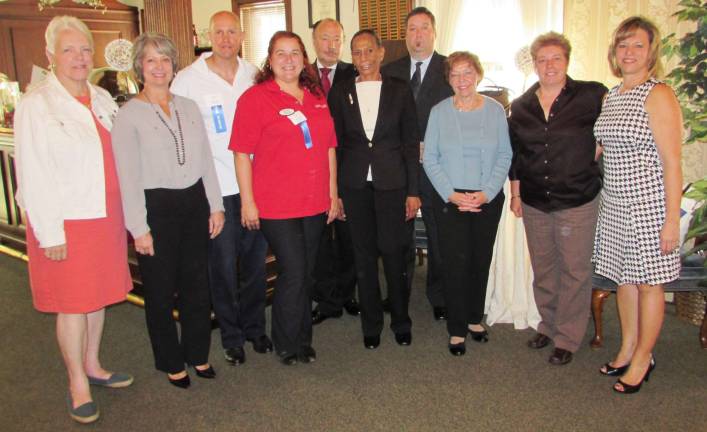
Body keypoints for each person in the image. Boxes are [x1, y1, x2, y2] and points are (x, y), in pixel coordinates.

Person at [14, 15, 133, 424]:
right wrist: (49, 233)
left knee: (96, 297)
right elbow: (31, 173)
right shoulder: (37, 104)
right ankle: (76, 383)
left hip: (105, 217)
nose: (79, 58)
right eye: (68, 50)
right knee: (72, 303)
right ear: (50, 56)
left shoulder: (100, 97)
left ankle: (94, 366)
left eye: (84, 49)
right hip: (67, 223)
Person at [112, 33, 225, 388]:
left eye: (164, 60)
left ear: (174, 65)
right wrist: (138, 227)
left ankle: (197, 353)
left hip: (194, 203)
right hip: (156, 208)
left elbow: (206, 160)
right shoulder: (128, 115)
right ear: (139, 68)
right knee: (160, 291)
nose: (159, 67)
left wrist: (216, 205)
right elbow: (127, 177)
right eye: (151, 60)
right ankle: (170, 360)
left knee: (197, 287)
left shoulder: (188, 106)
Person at [230, 31, 339, 366]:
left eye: (295, 53)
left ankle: (302, 340)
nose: (289, 60)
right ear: (270, 59)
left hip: (315, 201)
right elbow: (240, 153)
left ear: (304, 58)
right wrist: (248, 202)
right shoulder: (255, 98)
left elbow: (329, 148)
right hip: (276, 204)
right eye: (281, 53)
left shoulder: (316, 95)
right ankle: (285, 341)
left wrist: (333, 195)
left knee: (306, 273)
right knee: (293, 270)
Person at [171, 11, 272, 367]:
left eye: (232, 31)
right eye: (219, 32)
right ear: (207, 35)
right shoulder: (186, 79)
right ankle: (231, 337)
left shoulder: (255, 75)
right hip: (214, 191)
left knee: (256, 266)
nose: (226, 38)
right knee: (224, 268)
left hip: (255, 188)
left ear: (242, 35)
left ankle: (255, 328)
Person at [594, 16, 682, 394]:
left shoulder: (658, 93)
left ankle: (644, 357)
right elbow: (603, 146)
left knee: (649, 284)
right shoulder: (611, 95)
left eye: (637, 46)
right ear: (615, 52)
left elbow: (672, 161)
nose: (628, 52)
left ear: (651, 52)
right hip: (613, 203)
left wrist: (671, 222)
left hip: (648, 205)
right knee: (624, 281)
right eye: (623, 45)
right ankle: (628, 346)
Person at [508, 32, 607, 366]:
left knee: (574, 271)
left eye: (555, 58)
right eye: (542, 59)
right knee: (545, 268)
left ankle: (567, 337)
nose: (548, 65)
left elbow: (610, 131)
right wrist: (516, 194)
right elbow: (517, 155)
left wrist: (594, 153)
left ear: (567, 60)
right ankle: (548, 326)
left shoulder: (592, 94)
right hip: (536, 200)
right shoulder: (521, 106)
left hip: (577, 199)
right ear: (534, 63)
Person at [329, 29, 420, 349]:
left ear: (381, 53)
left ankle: (400, 320)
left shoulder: (399, 89)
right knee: (363, 256)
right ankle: (371, 324)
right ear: (351, 57)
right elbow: (334, 146)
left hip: (393, 184)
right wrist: (335, 193)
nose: (363, 58)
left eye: (369, 51)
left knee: (394, 254)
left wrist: (413, 190)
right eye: (356, 52)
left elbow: (411, 143)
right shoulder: (340, 92)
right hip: (354, 185)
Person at [423, 51, 512, 356]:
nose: (461, 80)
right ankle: (457, 327)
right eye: (455, 74)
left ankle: (475, 318)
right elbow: (430, 158)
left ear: (478, 74)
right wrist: (451, 193)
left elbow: (505, 155)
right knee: (454, 263)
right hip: (451, 198)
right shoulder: (438, 112)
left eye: (467, 73)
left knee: (479, 259)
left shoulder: (496, 110)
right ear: (448, 79)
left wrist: (486, 193)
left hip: (487, 198)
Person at [382, 7, 453, 321]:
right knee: (399, 236)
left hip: (438, 168)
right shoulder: (389, 70)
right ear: (405, 34)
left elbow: (460, 116)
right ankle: (398, 294)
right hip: (398, 167)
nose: (418, 34)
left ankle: (438, 294)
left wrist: (433, 146)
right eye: (412, 28)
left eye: (424, 28)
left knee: (439, 235)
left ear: (434, 32)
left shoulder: (450, 68)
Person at [309, 18, 361, 325]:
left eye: (337, 39)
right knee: (318, 239)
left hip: (346, 165)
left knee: (348, 236)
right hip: (311, 168)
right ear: (314, 41)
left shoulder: (354, 73)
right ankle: (326, 299)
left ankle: (346, 293)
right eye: (325, 38)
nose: (331, 44)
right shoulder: (300, 75)